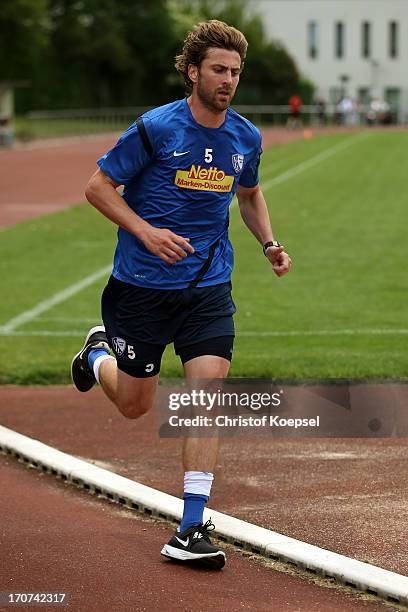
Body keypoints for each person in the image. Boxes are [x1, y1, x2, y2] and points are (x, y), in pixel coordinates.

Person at [71, 19, 292, 569]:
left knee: (206, 395)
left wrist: (269, 242)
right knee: (134, 405)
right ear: (193, 72)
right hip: (141, 289)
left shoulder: (245, 136)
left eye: (236, 71)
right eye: (218, 69)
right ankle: (97, 354)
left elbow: (250, 194)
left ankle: (191, 527)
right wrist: (145, 231)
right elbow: (98, 187)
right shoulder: (155, 128)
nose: (228, 80)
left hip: (208, 287)